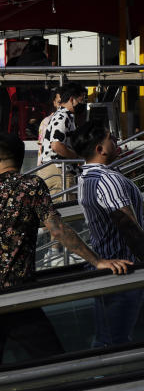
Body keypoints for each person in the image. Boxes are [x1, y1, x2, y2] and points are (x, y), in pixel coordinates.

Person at [0, 133, 130, 366]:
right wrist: (97, 261)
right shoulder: (31, 187)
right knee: (53, 364)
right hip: (19, 297)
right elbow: (58, 230)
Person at [73, 125, 144, 347]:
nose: (115, 141)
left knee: (109, 337)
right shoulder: (107, 180)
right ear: (100, 148)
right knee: (115, 340)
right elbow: (128, 226)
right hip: (125, 269)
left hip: (112, 268)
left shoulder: (85, 177)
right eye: (110, 138)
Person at [37, 83, 85, 197]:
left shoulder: (63, 116)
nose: (83, 104)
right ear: (72, 100)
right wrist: (76, 157)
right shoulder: (63, 116)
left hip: (59, 170)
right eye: (81, 100)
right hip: (59, 171)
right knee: (64, 210)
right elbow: (56, 145)